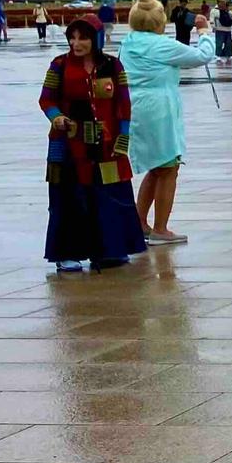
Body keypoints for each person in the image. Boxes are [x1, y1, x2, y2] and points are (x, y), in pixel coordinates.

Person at [39, 17, 147, 272]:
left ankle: (110, 250)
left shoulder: (112, 65)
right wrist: (57, 118)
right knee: (69, 197)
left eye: (83, 38)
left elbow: (123, 103)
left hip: (106, 145)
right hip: (69, 144)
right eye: (72, 38)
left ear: (95, 39)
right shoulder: (59, 66)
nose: (76, 43)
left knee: (109, 196)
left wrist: (123, 136)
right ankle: (67, 253)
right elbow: (46, 100)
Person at [120, 0, 216, 245]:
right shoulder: (161, 45)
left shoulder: (128, 43)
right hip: (159, 108)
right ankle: (161, 228)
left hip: (136, 105)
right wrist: (204, 31)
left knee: (156, 166)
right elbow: (202, 55)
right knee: (169, 167)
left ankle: (139, 222)